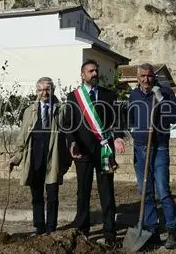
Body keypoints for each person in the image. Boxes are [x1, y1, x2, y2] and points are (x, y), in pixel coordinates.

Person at [62, 59, 126, 246]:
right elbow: (69, 124)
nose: (95, 74)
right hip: (83, 153)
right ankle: (82, 230)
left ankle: (109, 232)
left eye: (96, 71)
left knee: (107, 192)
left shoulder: (109, 95)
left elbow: (118, 120)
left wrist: (120, 137)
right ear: (82, 75)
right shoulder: (74, 96)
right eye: (90, 71)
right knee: (83, 192)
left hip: (105, 150)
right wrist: (72, 143)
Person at [127, 63, 176, 249]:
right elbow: (130, 118)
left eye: (149, 76)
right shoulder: (134, 95)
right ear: (137, 77)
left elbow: (174, 116)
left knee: (162, 189)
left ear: (154, 76)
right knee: (145, 190)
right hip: (140, 148)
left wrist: (160, 98)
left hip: (159, 147)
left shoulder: (165, 92)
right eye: (142, 76)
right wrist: (134, 131)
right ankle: (151, 229)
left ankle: (173, 228)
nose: (146, 79)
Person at [9, 77, 70, 235]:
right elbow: (22, 137)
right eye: (40, 90)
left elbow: (68, 135)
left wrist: (67, 159)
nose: (44, 93)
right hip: (34, 158)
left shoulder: (61, 109)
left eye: (47, 89)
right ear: (37, 92)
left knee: (52, 195)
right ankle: (39, 227)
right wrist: (15, 158)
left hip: (53, 158)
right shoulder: (29, 111)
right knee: (36, 196)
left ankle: (51, 228)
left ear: (52, 90)